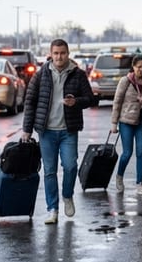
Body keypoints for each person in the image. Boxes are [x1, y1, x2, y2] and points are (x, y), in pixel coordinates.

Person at [21, 38, 95, 225]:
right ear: (51, 54)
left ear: (68, 54)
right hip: (46, 131)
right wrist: (27, 130)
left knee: (70, 166)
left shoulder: (78, 74)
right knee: (49, 171)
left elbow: (90, 99)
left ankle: (67, 195)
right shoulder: (41, 75)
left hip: (68, 130)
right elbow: (30, 102)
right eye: (56, 53)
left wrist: (76, 102)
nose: (59, 57)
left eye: (62, 53)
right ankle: (52, 209)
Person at [110, 54, 142, 196]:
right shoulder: (125, 81)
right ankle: (119, 176)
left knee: (141, 151)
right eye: (139, 67)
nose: (141, 70)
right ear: (133, 67)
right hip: (126, 121)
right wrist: (114, 123)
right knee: (127, 153)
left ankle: (140, 183)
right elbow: (117, 102)